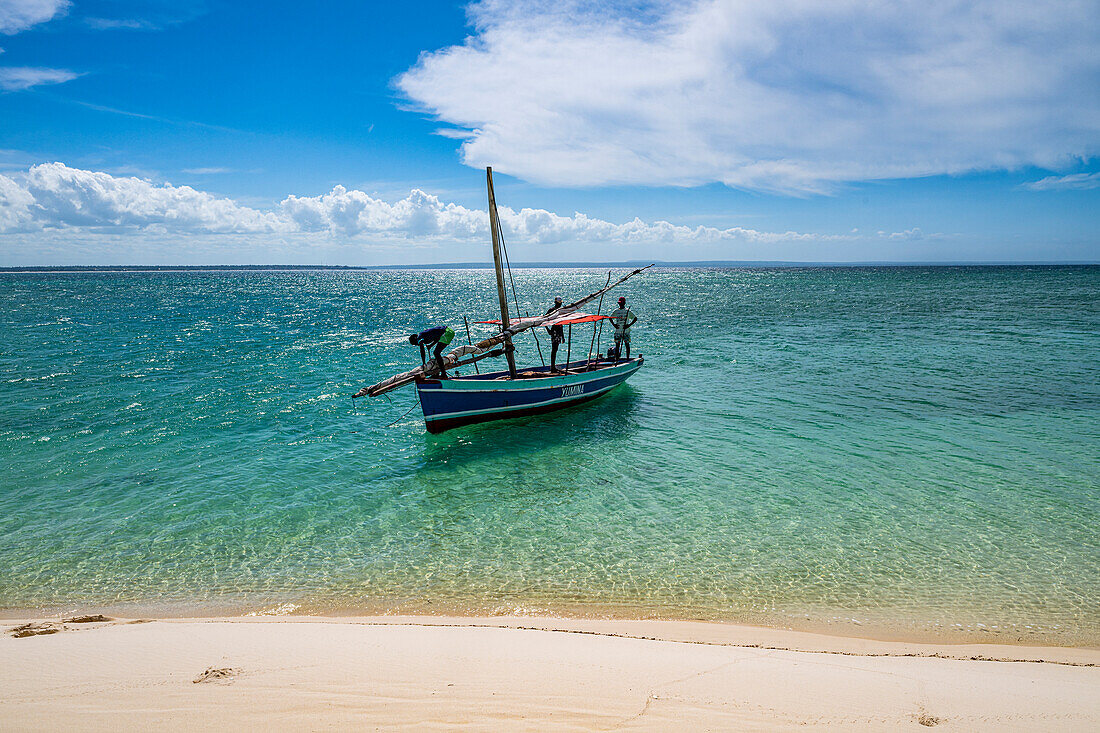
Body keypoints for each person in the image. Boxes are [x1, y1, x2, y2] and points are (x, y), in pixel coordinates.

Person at [609, 296, 637, 360]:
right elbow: (610, 318)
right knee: (617, 345)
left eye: (621, 303)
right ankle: (617, 358)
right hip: (618, 331)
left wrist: (629, 325)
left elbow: (635, 318)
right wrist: (614, 325)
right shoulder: (616, 311)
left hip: (626, 331)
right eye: (619, 303)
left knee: (627, 344)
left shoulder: (627, 311)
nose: (620, 304)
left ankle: (627, 358)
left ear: (624, 303)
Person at [544, 296, 565, 373]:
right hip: (554, 331)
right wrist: (548, 330)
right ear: (556, 303)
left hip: (558, 331)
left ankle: (553, 366)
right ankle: (552, 367)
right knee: (554, 349)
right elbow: (543, 319)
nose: (560, 305)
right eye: (559, 303)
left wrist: (563, 336)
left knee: (555, 349)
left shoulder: (560, 311)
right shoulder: (551, 310)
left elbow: (561, 323)